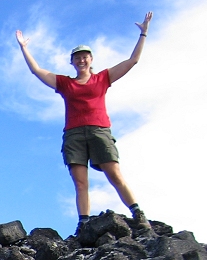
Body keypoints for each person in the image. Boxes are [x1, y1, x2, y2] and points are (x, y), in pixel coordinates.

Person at [15, 12, 153, 231]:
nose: (81, 59)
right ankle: (84, 223)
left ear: (91, 59)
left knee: (115, 174)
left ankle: (138, 213)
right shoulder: (65, 84)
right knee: (81, 183)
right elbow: (36, 70)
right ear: (72, 62)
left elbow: (132, 61)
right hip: (74, 135)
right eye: (77, 57)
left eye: (85, 56)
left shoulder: (103, 78)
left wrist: (143, 33)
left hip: (100, 131)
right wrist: (24, 47)